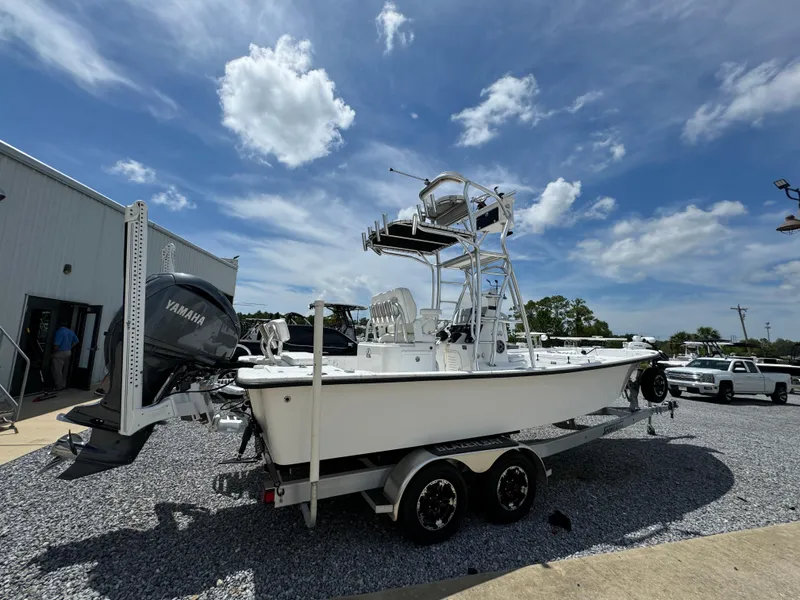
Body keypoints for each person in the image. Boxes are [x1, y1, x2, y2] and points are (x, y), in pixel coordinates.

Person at [51, 322, 79, 391]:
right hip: (68, 352)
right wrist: (69, 347)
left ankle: (59, 385)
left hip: (60, 352)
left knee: (57, 369)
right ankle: (64, 383)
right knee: (65, 369)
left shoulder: (59, 332)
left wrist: (52, 353)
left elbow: (56, 345)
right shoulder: (70, 332)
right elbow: (76, 341)